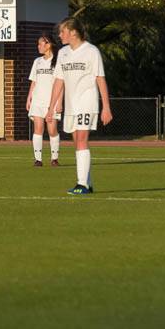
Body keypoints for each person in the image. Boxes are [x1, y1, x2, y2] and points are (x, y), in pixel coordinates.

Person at [47, 16, 113, 195]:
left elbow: (100, 79)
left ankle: (81, 184)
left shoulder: (91, 51)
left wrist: (106, 107)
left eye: (63, 31)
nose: (60, 35)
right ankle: (88, 184)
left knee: (82, 139)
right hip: (71, 105)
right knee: (77, 141)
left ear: (73, 32)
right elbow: (58, 81)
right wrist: (51, 107)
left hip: (87, 101)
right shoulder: (63, 53)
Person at [25, 33, 61, 167]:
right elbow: (34, 81)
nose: (38, 46)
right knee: (38, 129)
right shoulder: (37, 61)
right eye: (38, 44)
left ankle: (54, 158)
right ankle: (38, 159)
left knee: (52, 130)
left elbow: (60, 83)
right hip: (38, 101)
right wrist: (29, 98)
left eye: (41, 43)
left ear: (49, 44)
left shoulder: (57, 61)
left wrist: (59, 102)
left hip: (52, 101)